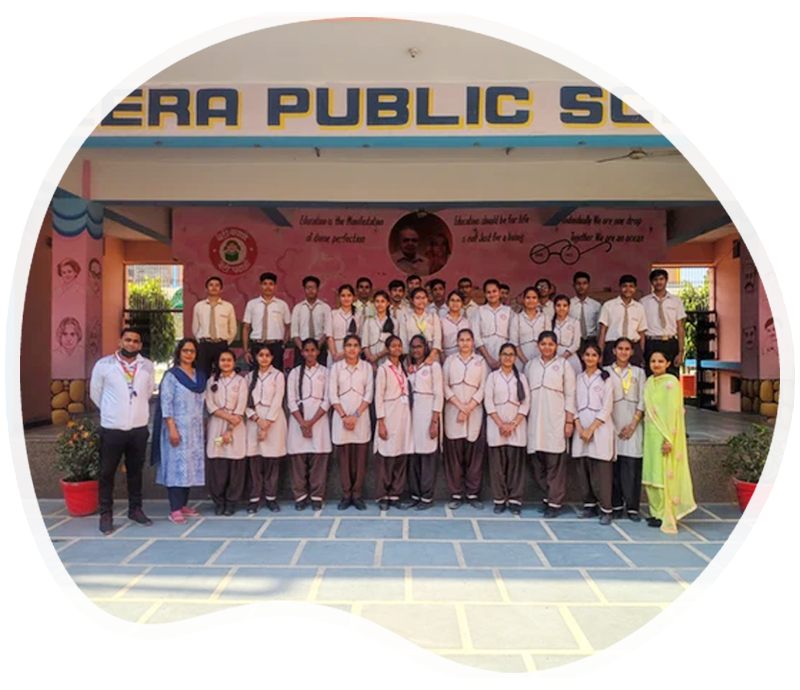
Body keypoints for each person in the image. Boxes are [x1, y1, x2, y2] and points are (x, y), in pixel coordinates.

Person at [90, 328, 156, 535]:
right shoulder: (104, 365)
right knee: (107, 472)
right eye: (128, 340)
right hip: (112, 428)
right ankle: (106, 513)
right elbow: (96, 393)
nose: (131, 343)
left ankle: (135, 509)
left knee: (135, 471)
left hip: (138, 427)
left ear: (140, 345)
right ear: (120, 342)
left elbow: (147, 392)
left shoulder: (147, 365)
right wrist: (112, 411)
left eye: (136, 341)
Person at [152, 338, 206, 525]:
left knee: (188, 467)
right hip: (176, 427)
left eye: (192, 351)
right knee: (176, 467)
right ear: (179, 353)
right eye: (185, 351)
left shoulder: (199, 376)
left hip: (194, 429)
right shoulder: (172, 376)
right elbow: (166, 402)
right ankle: (174, 508)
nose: (189, 354)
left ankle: (183, 504)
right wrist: (172, 428)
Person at [642, 351, 697, 533]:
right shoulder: (649, 382)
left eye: (660, 361)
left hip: (665, 434)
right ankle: (655, 512)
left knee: (663, 474)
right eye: (653, 361)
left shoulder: (671, 383)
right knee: (651, 474)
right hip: (650, 433)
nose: (656, 364)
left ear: (667, 364)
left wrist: (669, 439)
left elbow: (673, 412)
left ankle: (666, 513)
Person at [525, 331, 576, 518]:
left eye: (551, 344)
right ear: (538, 345)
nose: (547, 347)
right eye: (543, 344)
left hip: (556, 420)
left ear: (556, 346)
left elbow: (570, 394)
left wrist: (569, 421)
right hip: (535, 421)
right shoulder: (531, 365)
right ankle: (547, 496)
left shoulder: (564, 365)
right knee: (538, 462)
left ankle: (555, 502)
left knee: (555, 463)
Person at [442, 329, 489, 510]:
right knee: (454, 456)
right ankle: (456, 493)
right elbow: (444, 385)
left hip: (474, 412)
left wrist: (468, 408)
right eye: (461, 340)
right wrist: (460, 406)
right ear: (457, 342)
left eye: (468, 340)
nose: (465, 343)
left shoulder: (480, 362)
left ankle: (472, 493)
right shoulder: (450, 360)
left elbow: (483, 387)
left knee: (474, 456)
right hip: (453, 411)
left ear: (473, 342)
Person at [572, 341, 616, 526]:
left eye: (594, 355)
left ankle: (606, 509)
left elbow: (607, 407)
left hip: (600, 428)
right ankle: (589, 505)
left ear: (599, 358)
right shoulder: (578, 378)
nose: (590, 358)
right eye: (587, 355)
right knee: (583, 468)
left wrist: (591, 428)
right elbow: (572, 404)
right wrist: (579, 427)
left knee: (601, 471)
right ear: (582, 357)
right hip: (581, 427)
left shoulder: (606, 379)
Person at [485, 343, 531, 515]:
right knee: (497, 467)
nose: (507, 358)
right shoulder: (492, 377)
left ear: (515, 358)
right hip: (496, 425)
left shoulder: (521, 378)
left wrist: (513, 424)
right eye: (504, 354)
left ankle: (515, 499)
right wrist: (501, 424)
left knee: (515, 466)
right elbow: (488, 402)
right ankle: (499, 499)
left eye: (511, 355)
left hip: (516, 426)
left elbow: (526, 403)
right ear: (499, 356)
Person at [329, 335, 374, 510]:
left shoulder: (366, 368)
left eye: (355, 345)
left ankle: (357, 494)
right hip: (341, 417)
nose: (352, 349)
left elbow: (368, 394)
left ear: (360, 348)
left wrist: (355, 415)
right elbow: (333, 394)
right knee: (344, 459)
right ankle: (346, 494)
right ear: (343, 348)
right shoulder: (336, 368)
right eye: (348, 345)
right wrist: (344, 416)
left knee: (360, 459)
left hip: (360, 417)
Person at [287, 339, 332, 511]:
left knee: (318, 459)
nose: (310, 353)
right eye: (307, 350)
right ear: (302, 352)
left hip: (318, 420)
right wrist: (303, 423)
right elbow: (291, 400)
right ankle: (300, 496)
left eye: (313, 350)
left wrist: (311, 423)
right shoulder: (294, 373)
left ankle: (316, 496)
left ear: (318, 352)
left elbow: (327, 399)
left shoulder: (326, 372)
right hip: (299, 420)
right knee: (298, 460)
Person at [606, 338, 646, 522]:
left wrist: (633, 424)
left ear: (632, 352)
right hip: (612, 422)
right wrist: (612, 425)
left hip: (633, 423)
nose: (623, 352)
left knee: (632, 467)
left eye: (627, 349)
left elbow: (643, 399)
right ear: (614, 351)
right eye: (620, 348)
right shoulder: (606, 372)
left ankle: (632, 507)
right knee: (614, 468)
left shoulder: (638, 372)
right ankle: (616, 505)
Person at [245, 345, 288, 514]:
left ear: (272, 357)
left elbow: (278, 400)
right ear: (255, 357)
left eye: (267, 355)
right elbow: (244, 401)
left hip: (274, 421)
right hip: (254, 420)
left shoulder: (278, 376)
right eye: (261, 355)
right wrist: (256, 419)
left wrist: (267, 424)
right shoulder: (249, 377)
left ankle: (271, 497)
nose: (264, 358)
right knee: (255, 461)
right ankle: (254, 498)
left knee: (272, 461)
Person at [205, 349, 248, 516]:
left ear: (234, 362)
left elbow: (241, 405)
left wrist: (230, 429)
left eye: (229, 360)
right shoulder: (211, 381)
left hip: (235, 427)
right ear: (218, 362)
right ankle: (219, 501)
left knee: (235, 462)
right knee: (218, 462)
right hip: (217, 424)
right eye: (222, 360)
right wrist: (227, 417)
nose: (226, 363)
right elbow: (210, 405)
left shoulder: (241, 381)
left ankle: (231, 502)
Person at [374, 335, 414, 510]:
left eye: (399, 345)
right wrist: (381, 422)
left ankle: (396, 493)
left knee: (400, 455)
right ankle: (383, 494)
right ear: (387, 348)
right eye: (393, 346)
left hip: (403, 416)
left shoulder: (403, 368)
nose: (397, 348)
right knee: (386, 456)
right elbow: (378, 396)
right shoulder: (383, 369)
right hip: (389, 415)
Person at [407, 334, 444, 510]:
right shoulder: (410, 369)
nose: (416, 350)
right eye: (413, 347)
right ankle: (415, 494)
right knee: (414, 456)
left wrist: (434, 421)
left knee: (428, 456)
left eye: (419, 346)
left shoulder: (433, 367)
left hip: (428, 414)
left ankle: (427, 496)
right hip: (412, 416)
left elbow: (439, 394)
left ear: (426, 348)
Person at [242, 272, 291, 371]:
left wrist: (283, 345)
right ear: (260, 286)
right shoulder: (252, 304)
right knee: (255, 375)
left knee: (276, 375)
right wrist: (246, 350)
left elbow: (288, 327)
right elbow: (246, 328)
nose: (268, 287)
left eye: (271, 284)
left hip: (275, 347)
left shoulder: (282, 305)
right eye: (265, 284)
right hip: (257, 345)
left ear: (275, 287)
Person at [641, 269, 686, 377]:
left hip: (670, 343)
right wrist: (641, 352)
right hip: (651, 343)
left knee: (671, 377)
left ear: (666, 280)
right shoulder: (644, 302)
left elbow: (680, 327)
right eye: (655, 279)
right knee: (651, 377)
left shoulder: (676, 301)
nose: (659, 282)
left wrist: (681, 352)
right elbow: (641, 329)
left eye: (661, 279)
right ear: (651, 282)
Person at [192, 276, 238, 377]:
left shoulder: (228, 307)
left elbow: (233, 329)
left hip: (221, 345)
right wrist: (201, 341)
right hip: (204, 345)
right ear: (206, 288)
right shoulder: (199, 306)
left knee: (222, 374)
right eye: (211, 285)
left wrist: (225, 342)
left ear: (221, 289)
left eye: (217, 285)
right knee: (202, 374)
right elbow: (195, 327)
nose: (214, 287)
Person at [598, 274, 648, 367]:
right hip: (613, 345)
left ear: (635, 288)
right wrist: (600, 352)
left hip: (633, 345)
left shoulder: (639, 307)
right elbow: (603, 331)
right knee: (611, 373)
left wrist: (641, 353)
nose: (628, 289)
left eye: (631, 286)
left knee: (634, 373)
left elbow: (641, 332)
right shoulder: (608, 305)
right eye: (625, 286)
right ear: (620, 287)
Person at [291, 275, 333, 365]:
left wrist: (316, 348)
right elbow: (294, 333)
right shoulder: (298, 308)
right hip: (301, 347)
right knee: (300, 372)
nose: (310, 290)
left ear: (318, 289)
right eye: (308, 288)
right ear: (304, 289)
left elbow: (327, 331)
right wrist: (304, 350)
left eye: (313, 288)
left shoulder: (325, 307)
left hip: (320, 346)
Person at [474, 279, 513, 370]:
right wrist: (488, 358)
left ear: (499, 292)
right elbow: (476, 336)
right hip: (484, 350)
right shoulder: (479, 311)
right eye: (488, 292)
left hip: (504, 349)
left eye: (494, 291)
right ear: (485, 294)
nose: (492, 294)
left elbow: (512, 336)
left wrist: (504, 357)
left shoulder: (508, 311)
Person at [399, 287, 442, 365]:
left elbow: (437, 339)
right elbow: (403, 341)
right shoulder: (405, 318)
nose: (421, 301)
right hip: (412, 356)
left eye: (423, 298)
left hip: (431, 355)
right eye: (418, 298)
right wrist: (409, 362)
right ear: (412, 300)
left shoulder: (433, 316)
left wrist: (431, 357)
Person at [511, 286, 548, 369]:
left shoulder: (545, 318)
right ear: (523, 300)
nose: (531, 300)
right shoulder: (516, 318)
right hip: (521, 358)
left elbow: (549, 340)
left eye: (534, 298)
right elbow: (514, 343)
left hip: (541, 357)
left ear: (538, 300)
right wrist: (525, 361)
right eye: (528, 298)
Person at [361, 290, 398, 370]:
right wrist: (371, 360)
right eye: (377, 301)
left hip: (387, 359)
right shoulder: (369, 321)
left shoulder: (394, 322)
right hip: (371, 360)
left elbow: (395, 344)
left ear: (388, 303)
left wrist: (377, 356)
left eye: (382, 301)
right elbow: (365, 344)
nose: (380, 304)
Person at [328, 284, 363, 363]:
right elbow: (330, 337)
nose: (346, 298)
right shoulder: (333, 314)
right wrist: (334, 354)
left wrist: (347, 353)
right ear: (339, 297)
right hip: (336, 351)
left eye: (349, 295)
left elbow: (360, 337)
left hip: (353, 352)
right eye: (343, 296)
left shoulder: (358, 316)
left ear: (353, 297)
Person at [552, 294, 582, 375]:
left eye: (564, 305)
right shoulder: (550, 322)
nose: (561, 308)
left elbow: (576, 344)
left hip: (570, 355)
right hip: (554, 355)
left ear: (568, 307)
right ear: (554, 307)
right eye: (558, 305)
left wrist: (564, 356)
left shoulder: (574, 322)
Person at [570, 271, 601, 348]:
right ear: (573, 285)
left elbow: (599, 327)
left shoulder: (596, 305)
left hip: (591, 340)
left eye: (584, 283)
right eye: (578, 284)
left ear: (589, 285)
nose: (581, 286)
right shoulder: (568, 305)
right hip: (573, 341)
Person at [441, 290, 471, 359]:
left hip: (465, 356)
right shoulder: (442, 321)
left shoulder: (466, 322)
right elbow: (439, 343)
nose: (455, 303)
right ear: (448, 303)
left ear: (462, 304)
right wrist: (443, 358)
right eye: (452, 300)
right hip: (447, 355)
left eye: (458, 300)